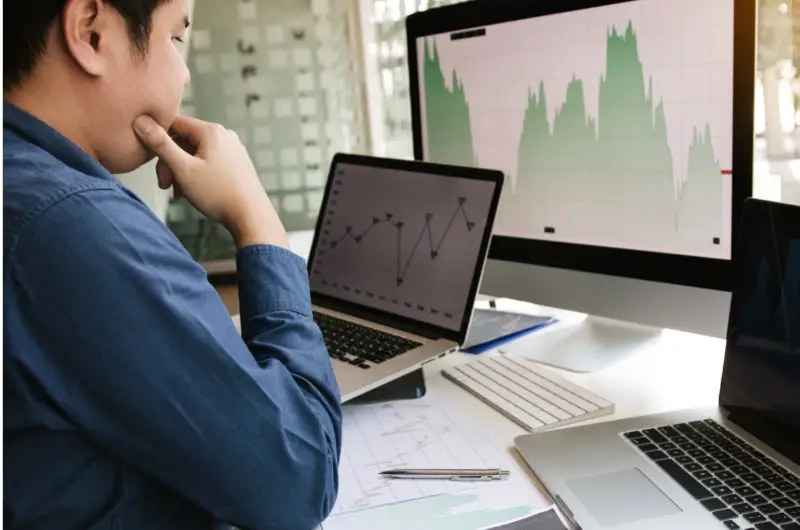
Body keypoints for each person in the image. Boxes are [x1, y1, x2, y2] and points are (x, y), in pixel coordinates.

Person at [3, 0, 342, 528]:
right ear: (90, 33)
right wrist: (257, 221)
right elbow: (301, 480)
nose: (183, 72)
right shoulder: (71, 224)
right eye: (175, 38)